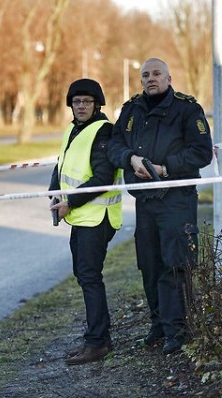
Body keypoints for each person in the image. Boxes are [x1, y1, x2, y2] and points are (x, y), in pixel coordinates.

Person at [107, 58, 213, 355]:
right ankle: (158, 327)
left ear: (168, 77)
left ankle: (177, 331)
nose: (150, 79)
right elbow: (114, 145)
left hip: (176, 198)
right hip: (145, 200)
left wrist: (165, 168)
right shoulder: (131, 110)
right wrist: (131, 158)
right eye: (145, 75)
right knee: (150, 264)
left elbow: (202, 152)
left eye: (156, 74)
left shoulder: (187, 108)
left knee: (175, 264)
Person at [49, 78, 123, 366]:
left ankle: (97, 343)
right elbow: (62, 163)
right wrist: (53, 192)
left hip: (97, 218)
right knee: (85, 276)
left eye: (86, 102)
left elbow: (102, 178)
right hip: (81, 217)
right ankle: (98, 338)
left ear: (97, 105)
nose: (81, 106)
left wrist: (70, 202)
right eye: (76, 101)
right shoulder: (72, 129)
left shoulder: (103, 131)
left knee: (90, 277)